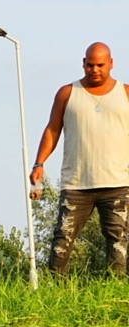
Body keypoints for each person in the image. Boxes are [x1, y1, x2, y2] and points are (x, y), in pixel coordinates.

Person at [30, 42, 129, 275]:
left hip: (117, 183)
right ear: (83, 64)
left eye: (101, 65)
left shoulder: (125, 93)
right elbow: (52, 130)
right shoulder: (67, 93)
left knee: (117, 241)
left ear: (111, 64)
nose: (95, 70)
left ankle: (113, 293)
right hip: (76, 184)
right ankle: (55, 290)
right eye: (90, 65)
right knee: (62, 240)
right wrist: (39, 163)